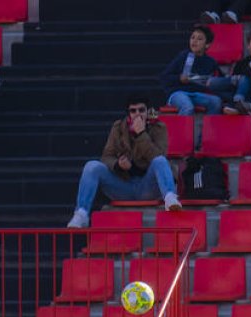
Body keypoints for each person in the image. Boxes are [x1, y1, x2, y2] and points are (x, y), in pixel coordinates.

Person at [66, 96, 181, 229]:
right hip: (123, 185)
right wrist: (118, 165)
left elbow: (159, 156)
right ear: (128, 114)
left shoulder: (158, 127)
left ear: (148, 111)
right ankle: (81, 213)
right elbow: (106, 157)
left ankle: (170, 198)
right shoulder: (118, 128)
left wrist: (141, 134)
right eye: (133, 111)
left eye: (141, 110)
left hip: (148, 186)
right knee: (92, 166)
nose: (137, 114)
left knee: (160, 161)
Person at [160, 25, 222, 116]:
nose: (194, 41)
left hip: (197, 94)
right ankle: (182, 126)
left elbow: (220, 80)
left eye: (199, 39)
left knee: (216, 102)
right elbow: (164, 77)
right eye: (192, 37)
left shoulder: (211, 62)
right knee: (187, 107)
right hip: (178, 93)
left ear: (207, 44)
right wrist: (179, 78)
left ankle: (209, 125)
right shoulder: (183, 56)